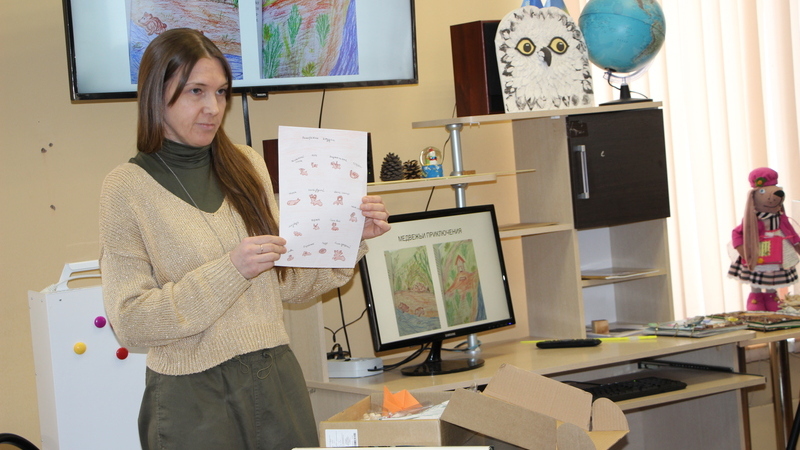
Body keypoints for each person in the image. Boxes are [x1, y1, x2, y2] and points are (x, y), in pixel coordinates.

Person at [99, 28, 390, 450]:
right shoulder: (125, 188)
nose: (213, 108)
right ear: (156, 94)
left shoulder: (248, 165)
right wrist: (231, 271)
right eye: (196, 91)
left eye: (221, 92)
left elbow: (288, 282)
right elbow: (130, 323)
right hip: (191, 399)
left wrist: (347, 239)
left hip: (275, 380)